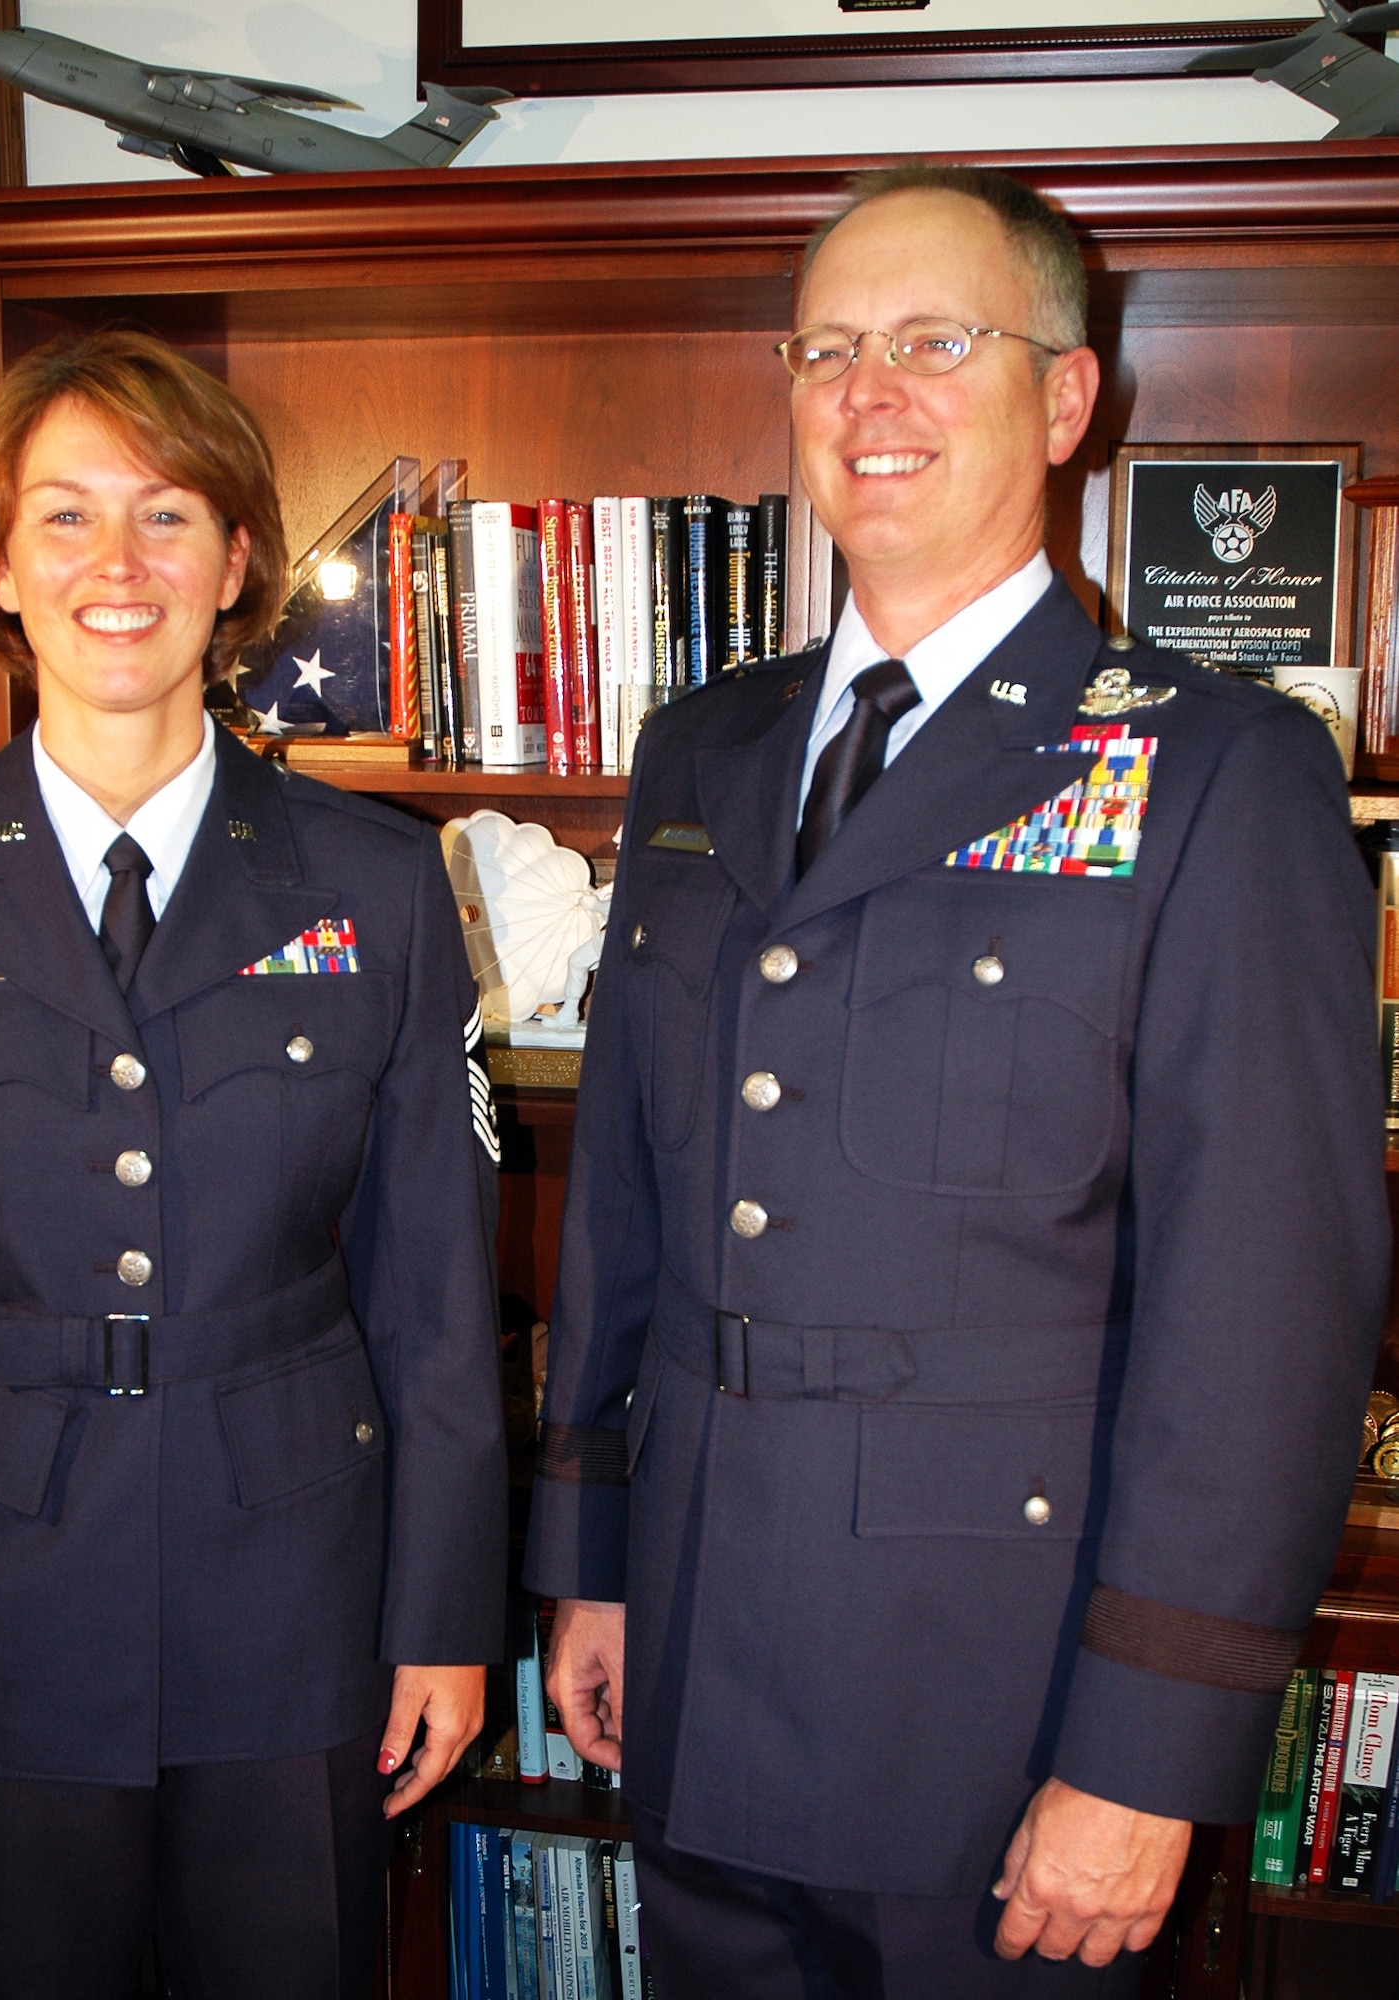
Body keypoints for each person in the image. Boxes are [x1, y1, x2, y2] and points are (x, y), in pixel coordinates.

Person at [525, 164, 1389, 1997]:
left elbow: (1268, 1316)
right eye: (826, 349)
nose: (870, 396)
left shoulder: (1215, 774)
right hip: (693, 1640)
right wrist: (591, 1552)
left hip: (990, 1708)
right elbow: (630, 1207)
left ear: (1065, 398)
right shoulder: (706, 747)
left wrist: (1144, 1756)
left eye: (935, 342)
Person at [0, 329, 507, 2000]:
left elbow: (438, 1303)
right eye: (66, 518)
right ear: (0, 568)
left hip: (297, 1601)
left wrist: (441, 1615)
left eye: (168, 517)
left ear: (236, 561)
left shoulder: (373, 885)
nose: (119, 566)